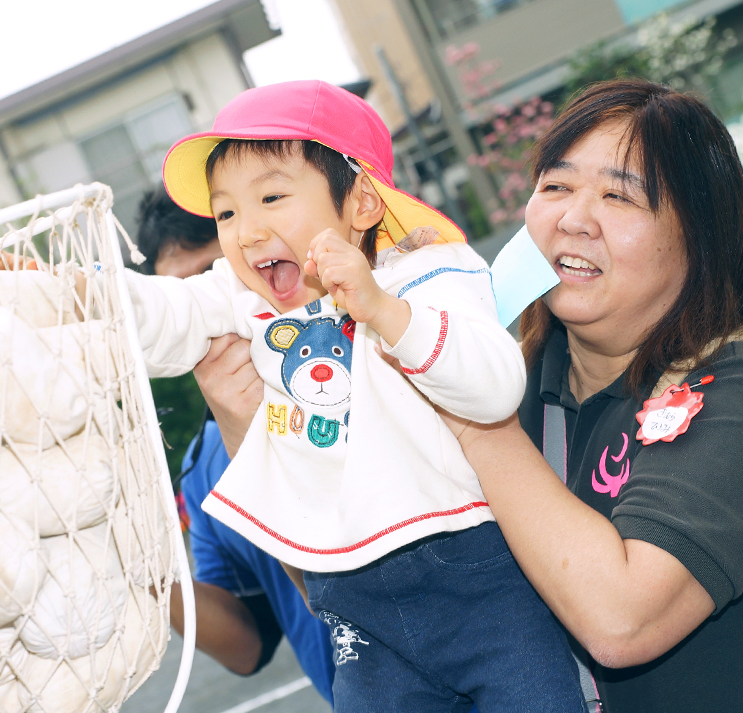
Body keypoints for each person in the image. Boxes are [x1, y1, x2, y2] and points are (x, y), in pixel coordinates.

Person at [124, 80, 584, 712]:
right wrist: (53, 290)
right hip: (356, 606)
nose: (246, 232)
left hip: (477, 576)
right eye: (226, 212)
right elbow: (154, 314)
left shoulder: (428, 273)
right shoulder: (243, 298)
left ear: (362, 200)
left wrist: (385, 313)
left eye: (272, 197)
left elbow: (495, 385)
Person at [434, 79, 743, 713]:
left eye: (619, 195)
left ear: (700, 231)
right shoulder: (511, 381)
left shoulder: (729, 386)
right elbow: (365, 573)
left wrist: (470, 417)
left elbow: (624, 620)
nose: (573, 219)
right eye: (555, 186)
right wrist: (241, 405)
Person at [134, 186, 337, 703]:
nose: (204, 311)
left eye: (212, 277)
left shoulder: (355, 366)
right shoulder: (202, 468)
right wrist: (140, 568)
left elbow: (343, 584)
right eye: (179, 296)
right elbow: (246, 646)